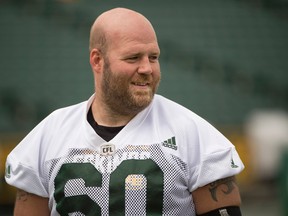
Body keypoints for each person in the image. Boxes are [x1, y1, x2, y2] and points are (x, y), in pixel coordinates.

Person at [5, 7, 244, 216]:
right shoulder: (48, 135)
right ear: (97, 61)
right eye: (133, 58)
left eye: (154, 57)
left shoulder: (193, 134)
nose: (147, 68)